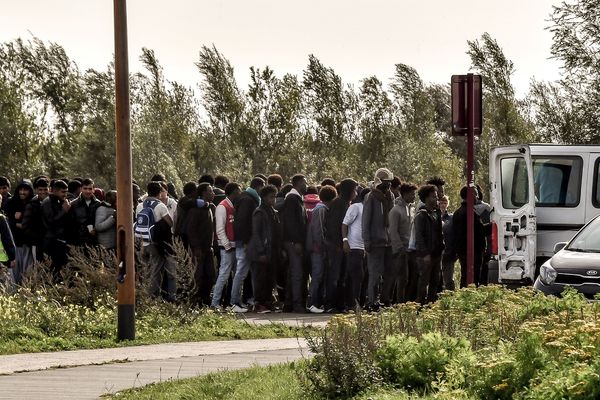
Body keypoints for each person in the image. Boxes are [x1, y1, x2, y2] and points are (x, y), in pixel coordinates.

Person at [135, 181, 176, 301]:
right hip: (155, 243)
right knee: (156, 272)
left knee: (146, 270)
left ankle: (143, 295)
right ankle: (152, 298)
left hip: (142, 241)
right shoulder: (160, 206)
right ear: (159, 193)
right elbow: (170, 223)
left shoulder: (140, 206)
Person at [230, 177, 265, 312]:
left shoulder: (249, 198)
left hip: (248, 242)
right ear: (259, 186)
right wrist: (245, 242)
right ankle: (234, 302)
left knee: (246, 272)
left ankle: (244, 300)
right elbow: (242, 222)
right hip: (245, 242)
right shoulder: (248, 200)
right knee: (241, 272)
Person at [362, 168, 395, 311]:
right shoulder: (371, 197)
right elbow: (365, 220)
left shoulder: (390, 196)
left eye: (389, 182)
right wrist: (367, 240)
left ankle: (384, 300)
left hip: (389, 242)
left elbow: (392, 218)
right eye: (386, 182)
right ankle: (371, 302)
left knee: (389, 273)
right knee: (374, 274)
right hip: (375, 242)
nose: (388, 185)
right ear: (379, 181)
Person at [324, 178, 358, 312]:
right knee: (335, 276)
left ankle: (340, 304)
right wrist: (340, 243)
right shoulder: (339, 204)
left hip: (343, 246)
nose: (355, 192)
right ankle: (330, 304)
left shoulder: (345, 203)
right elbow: (334, 226)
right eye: (354, 189)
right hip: (337, 247)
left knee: (342, 276)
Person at [247, 185, 281, 313]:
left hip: (271, 251)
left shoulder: (273, 211)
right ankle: (259, 303)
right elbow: (256, 233)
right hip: (259, 252)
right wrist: (261, 252)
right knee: (260, 279)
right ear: (264, 198)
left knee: (269, 279)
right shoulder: (259, 212)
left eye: (275, 197)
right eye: (271, 197)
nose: (273, 199)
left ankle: (267, 302)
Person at [306, 185, 337, 313]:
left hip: (319, 248)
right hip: (318, 248)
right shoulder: (321, 209)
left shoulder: (321, 208)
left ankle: (318, 302)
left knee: (320, 276)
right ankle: (312, 303)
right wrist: (322, 245)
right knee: (317, 276)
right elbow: (319, 230)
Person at [384, 182, 417, 305]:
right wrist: (399, 247)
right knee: (402, 278)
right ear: (405, 194)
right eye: (412, 194)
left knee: (411, 278)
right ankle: (398, 302)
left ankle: (408, 302)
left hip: (411, 248)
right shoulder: (395, 210)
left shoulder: (412, 208)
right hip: (400, 250)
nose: (414, 197)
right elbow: (392, 230)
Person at [211, 182, 241, 310]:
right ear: (234, 192)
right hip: (227, 247)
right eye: (239, 191)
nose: (240, 193)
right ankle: (215, 303)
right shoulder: (222, 207)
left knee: (235, 276)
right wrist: (226, 245)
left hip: (235, 245)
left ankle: (232, 303)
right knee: (224, 274)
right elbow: (219, 229)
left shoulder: (234, 206)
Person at [186, 183, 217, 307]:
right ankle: (194, 303)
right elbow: (191, 230)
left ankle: (204, 301)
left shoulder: (209, 207)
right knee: (197, 277)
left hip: (208, 248)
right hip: (198, 250)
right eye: (210, 191)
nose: (213, 193)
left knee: (210, 276)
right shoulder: (195, 210)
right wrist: (196, 247)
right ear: (203, 193)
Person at [281, 174, 308, 313]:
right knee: (297, 274)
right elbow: (291, 223)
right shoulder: (292, 199)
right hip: (293, 242)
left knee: (293, 273)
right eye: (304, 182)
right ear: (298, 183)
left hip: (294, 241)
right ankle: (296, 304)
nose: (306, 185)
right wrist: (296, 241)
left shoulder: (297, 199)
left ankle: (289, 303)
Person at [414, 184, 444, 305]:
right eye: (432, 196)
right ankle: (420, 305)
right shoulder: (421, 215)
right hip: (426, 255)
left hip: (436, 253)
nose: (435, 199)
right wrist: (425, 254)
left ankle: (430, 304)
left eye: (436, 196)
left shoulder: (436, 213)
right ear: (425, 198)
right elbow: (419, 237)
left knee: (435, 281)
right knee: (423, 281)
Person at [453, 186, 487, 288]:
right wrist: (494, 225)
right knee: (473, 277)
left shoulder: (459, 212)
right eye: (475, 194)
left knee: (465, 276)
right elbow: (479, 231)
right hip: (472, 251)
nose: (477, 197)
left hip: (464, 250)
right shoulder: (469, 213)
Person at [342, 187, 369, 310]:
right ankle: (353, 303)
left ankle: (358, 302)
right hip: (354, 247)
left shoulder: (370, 209)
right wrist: (345, 240)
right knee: (357, 276)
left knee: (362, 277)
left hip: (365, 248)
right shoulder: (356, 207)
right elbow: (344, 224)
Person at [4, 180, 35, 285]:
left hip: (28, 243)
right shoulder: (11, 202)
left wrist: (23, 222)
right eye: (20, 189)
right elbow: (6, 221)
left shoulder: (33, 203)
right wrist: (16, 222)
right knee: (15, 271)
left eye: (25, 190)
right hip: (15, 242)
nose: (22, 192)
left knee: (28, 271)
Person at [42, 180, 72, 281]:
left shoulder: (58, 201)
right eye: (63, 192)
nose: (65, 194)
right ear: (55, 191)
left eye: (66, 192)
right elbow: (51, 222)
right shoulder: (48, 202)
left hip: (59, 242)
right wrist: (64, 210)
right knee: (52, 271)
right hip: (51, 242)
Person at [22, 177, 50, 262]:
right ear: (36, 190)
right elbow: (25, 226)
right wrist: (37, 237)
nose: (43, 192)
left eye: (45, 189)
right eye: (40, 190)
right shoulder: (31, 205)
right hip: (37, 243)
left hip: (51, 242)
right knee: (39, 267)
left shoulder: (53, 202)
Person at [69, 178, 101, 247]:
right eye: (85, 188)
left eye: (90, 189)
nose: (87, 191)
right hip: (78, 241)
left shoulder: (98, 204)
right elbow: (70, 224)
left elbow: (100, 221)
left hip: (94, 240)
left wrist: (95, 229)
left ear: (93, 190)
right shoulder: (73, 204)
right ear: (81, 189)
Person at [439, 195, 457, 291]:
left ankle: (450, 297)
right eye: (441, 202)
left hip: (448, 253)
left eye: (445, 203)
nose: (443, 205)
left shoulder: (451, 218)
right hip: (436, 252)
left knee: (449, 279)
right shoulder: (433, 216)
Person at [0, 196, 16, 287]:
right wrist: (12, 257)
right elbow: (7, 239)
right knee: (5, 287)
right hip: (3, 259)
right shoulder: (1, 219)